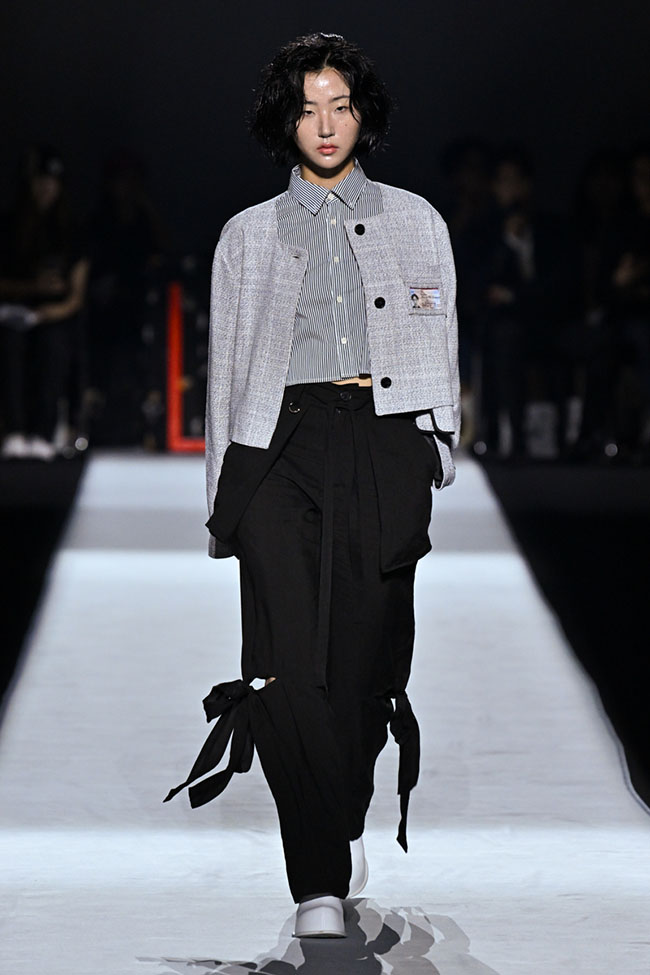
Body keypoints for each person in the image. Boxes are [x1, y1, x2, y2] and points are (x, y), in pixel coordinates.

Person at [165, 32, 460, 939]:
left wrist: (435, 444)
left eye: (340, 105)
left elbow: (440, 332)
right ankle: (317, 880)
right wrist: (223, 495)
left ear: (363, 113)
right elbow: (224, 373)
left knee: (367, 664)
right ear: (283, 122)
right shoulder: (247, 236)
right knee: (289, 665)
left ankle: (342, 811)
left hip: (382, 438)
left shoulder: (417, 220)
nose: (325, 125)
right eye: (306, 109)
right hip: (277, 448)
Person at [0, 145, 90, 459]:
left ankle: (43, 431)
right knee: (10, 345)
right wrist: (31, 288)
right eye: (40, 181)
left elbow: (76, 295)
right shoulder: (9, 226)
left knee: (54, 346)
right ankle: (14, 430)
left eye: (52, 181)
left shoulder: (71, 230)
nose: (45, 188)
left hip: (55, 315)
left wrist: (45, 313)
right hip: (13, 312)